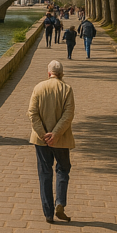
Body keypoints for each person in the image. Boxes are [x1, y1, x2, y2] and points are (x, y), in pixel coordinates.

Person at [27, 60, 76, 223]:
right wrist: (55, 134)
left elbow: (32, 114)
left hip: (41, 141)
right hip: (61, 139)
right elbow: (68, 115)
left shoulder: (38, 88)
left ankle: (48, 212)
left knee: (45, 172)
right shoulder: (67, 89)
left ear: (48, 73)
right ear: (61, 74)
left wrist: (43, 134)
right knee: (63, 169)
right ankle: (60, 202)